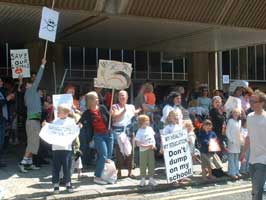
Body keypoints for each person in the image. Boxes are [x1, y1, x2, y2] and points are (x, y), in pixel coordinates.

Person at [79, 91, 113, 184]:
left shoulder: (102, 108)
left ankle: (105, 175)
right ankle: (97, 176)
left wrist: (111, 114)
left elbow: (110, 118)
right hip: (98, 136)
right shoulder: (87, 113)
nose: (98, 99)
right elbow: (80, 122)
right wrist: (80, 125)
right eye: (96, 98)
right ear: (90, 100)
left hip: (109, 134)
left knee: (108, 157)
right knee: (103, 155)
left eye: (97, 98)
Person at [19, 58, 46, 172]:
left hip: (33, 121)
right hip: (33, 122)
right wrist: (42, 65)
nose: (32, 84)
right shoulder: (30, 91)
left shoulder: (29, 95)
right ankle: (23, 163)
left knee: (33, 142)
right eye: (30, 83)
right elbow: (38, 79)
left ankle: (29, 163)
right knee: (32, 143)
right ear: (27, 86)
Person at [240, 90, 266, 200]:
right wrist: (243, 152)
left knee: (257, 189)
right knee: (255, 189)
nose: (251, 103)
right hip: (252, 159)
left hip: (263, 159)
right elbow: (249, 136)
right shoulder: (249, 116)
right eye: (250, 101)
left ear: (261, 103)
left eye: (254, 101)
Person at [46, 104, 76, 194]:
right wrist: (46, 126)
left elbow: (74, 131)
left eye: (59, 111)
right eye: (57, 111)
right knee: (56, 167)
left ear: (66, 113)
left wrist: (79, 127)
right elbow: (49, 131)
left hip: (67, 149)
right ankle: (56, 185)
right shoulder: (55, 121)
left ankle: (68, 183)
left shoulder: (71, 121)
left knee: (67, 168)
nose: (58, 113)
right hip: (56, 149)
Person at [111, 90, 140, 178]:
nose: (122, 97)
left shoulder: (131, 106)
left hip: (129, 131)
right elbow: (115, 117)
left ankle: (130, 171)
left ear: (127, 97)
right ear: (118, 97)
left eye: (123, 95)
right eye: (120, 96)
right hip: (119, 131)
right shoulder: (114, 106)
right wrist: (123, 110)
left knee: (130, 152)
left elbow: (134, 116)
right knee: (119, 152)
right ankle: (119, 171)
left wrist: (137, 112)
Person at [135, 114, 157, 186]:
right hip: (143, 151)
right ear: (141, 122)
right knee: (143, 165)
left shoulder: (150, 129)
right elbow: (138, 144)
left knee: (151, 164)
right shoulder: (139, 131)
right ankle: (143, 179)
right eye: (146, 120)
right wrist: (147, 146)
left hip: (151, 150)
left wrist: (153, 145)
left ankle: (151, 179)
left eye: (148, 120)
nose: (148, 122)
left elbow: (153, 138)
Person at [0, 78, 15, 167]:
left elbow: (5, 103)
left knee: (1, 141)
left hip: (3, 119)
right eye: (1, 81)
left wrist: (10, 99)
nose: (2, 83)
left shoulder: (1, 91)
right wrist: (7, 98)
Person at [226, 108, 242, 179]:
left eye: (237, 113)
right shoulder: (230, 121)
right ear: (232, 114)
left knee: (236, 157)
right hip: (232, 142)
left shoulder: (239, 121)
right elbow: (227, 132)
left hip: (238, 142)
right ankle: (231, 172)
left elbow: (240, 132)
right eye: (234, 113)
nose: (235, 114)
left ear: (239, 114)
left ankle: (236, 171)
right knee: (231, 157)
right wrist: (231, 140)